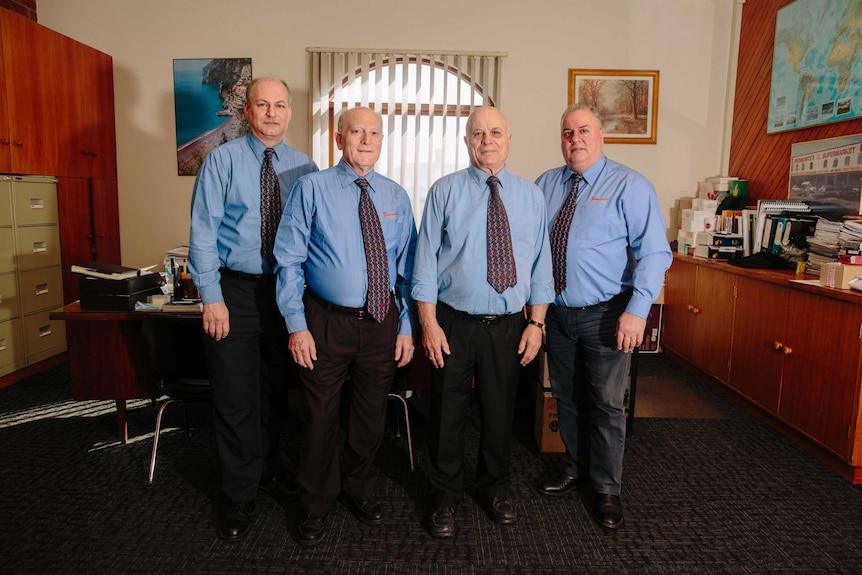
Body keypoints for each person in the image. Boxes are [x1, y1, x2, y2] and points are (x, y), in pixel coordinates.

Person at [275, 106, 418, 547]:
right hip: (324, 322)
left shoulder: (396, 196)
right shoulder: (311, 188)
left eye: (375, 132)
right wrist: (296, 326)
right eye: (357, 131)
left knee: (370, 414)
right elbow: (289, 259)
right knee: (320, 415)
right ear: (340, 139)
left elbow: (407, 270)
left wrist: (407, 325)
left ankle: (359, 489)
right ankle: (316, 503)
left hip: (381, 322)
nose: (367, 139)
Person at [411, 106, 555, 538]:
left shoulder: (531, 195)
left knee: (498, 412)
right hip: (453, 322)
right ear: (467, 141)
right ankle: (443, 497)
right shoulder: (445, 191)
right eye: (477, 133)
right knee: (446, 414)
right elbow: (424, 265)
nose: (486, 140)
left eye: (495, 132)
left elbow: (541, 265)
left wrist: (537, 324)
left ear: (509, 138)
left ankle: (494, 489)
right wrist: (429, 324)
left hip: (510, 324)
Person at [188, 77, 318, 541]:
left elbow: (310, 237)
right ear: (247, 109)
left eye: (279, 105)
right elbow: (202, 233)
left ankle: (267, 470)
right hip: (234, 292)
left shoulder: (306, 166)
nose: (271, 113)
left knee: (275, 391)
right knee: (235, 395)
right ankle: (239, 493)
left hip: (286, 294)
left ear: (288, 111)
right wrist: (212, 296)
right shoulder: (221, 160)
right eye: (262, 104)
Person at [534, 103, 672, 529]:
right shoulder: (546, 184)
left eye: (584, 130)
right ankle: (576, 469)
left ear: (601, 135)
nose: (575, 139)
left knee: (607, 405)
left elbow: (654, 252)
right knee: (567, 397)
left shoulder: (629, 185)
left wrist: (637, 311)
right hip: (557, 314)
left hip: (607, 314)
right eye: (567, 132)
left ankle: (607, 488)